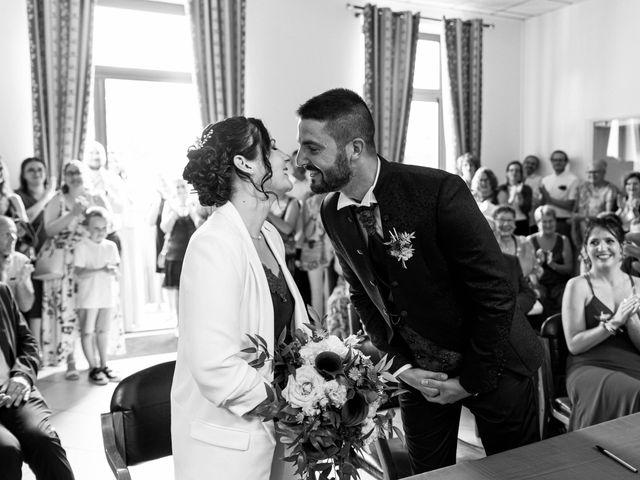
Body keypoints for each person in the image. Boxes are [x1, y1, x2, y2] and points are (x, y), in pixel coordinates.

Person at [296, 88, 543, 473]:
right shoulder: (331, 210)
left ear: (355, 148)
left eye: (312, 149)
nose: (300, 160)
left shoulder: (438, 192)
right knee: (426, 473)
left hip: (494, 363)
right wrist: (401, 366)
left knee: (518, 473)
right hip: (419, 372)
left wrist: (470, 380)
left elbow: (496, 293)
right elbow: (362, 294)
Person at [171, 117, 309, 480]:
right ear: (245, 163)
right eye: (273, 145)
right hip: (229, 449)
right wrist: (293, 408)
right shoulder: (212, 245)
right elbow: (215, 367)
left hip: (280, 437)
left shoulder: (268, 235)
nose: (283, 156)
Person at [562, 215, 640, 430]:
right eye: (594, 242)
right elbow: (574, 344)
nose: (602, 247)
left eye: (609, 241)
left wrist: (631, 319)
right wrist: (614, 323)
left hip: (633, 364)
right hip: (590, 367)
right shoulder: (577, 285)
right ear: (586, 250)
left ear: (622, 247)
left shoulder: (638, 285)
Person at [0, 282, 75, 480]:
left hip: (14, 389)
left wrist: (22, 376)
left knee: (44, 441)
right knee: (6, 450)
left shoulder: (2, 291)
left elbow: (28, 342)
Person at [41, 160, 108, 378]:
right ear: (64, 176)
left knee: (90, 309)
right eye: (69, 172)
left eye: (78, 171)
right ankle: (70, 361)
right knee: (67, 310)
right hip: (64, 264)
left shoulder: (93, 196)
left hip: (89, 260)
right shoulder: (57, 200)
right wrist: (73, 213)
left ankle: (97, 362)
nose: (74, 176)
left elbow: (108, 224)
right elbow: (49, 230)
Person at [74, 207, 121, 385]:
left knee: (103, 331)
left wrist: (113, 271)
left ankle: (104, 364)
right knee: (88, 332)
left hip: (106, 294)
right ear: (87, 227)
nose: (100, 232)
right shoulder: (82, 246)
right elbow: (78, 272)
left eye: (103, 228)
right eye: (96, 228)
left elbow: (117, 271)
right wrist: (101, 269)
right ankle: (93, 366)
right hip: (88, 297)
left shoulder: (111, 246)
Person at [15, 157, 55, 354]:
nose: (37, 173)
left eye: (40, 169)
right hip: (28, 258)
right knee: (32, 305)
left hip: (52, 259)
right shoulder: (18, 197)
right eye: (31, 170)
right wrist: (46, 197)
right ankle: (33, 351)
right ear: (23, 175)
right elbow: (26, 220)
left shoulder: (56, 197)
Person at [159, 178, 203, 323]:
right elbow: (164, 228)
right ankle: (179, 323)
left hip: (193, 251)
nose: (180, 190)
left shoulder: (195, 203)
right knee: (178, 291)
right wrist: (173, 214)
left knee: (196, 288)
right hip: (176, 252)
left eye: (182, 187)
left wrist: (191, 211)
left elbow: (201, 225)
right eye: (177, 187)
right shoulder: (169, 205)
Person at [527, 206, 574, 317]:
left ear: (555, 221)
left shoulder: (563, 240)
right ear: (538, 223)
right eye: (544, 222)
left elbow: (569, 269)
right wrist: (538, 262)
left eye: (550, 221)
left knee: (565, 298)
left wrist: (553, 265)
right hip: (539, 284)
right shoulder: (529, 241)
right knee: (539, 297)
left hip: (559, 284)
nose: (548, 225)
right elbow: (526, 271)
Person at [571, 159, 617, 249]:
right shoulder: (582, 187)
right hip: (581, 231)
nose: (592, 175)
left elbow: (607, 216)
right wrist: (574, 229)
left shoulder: (609, 189)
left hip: (600, 232)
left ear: (603, 173)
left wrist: (583, 217)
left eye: (596, 172)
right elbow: (575, 211)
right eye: (590, 172)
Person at [540, 150, 579, 239]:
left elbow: (570, 205)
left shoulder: (573, 179)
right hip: (545, 222)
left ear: (566, 162)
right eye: (555, 160)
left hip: (562, 222)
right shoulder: (545, 180)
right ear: (551, 162)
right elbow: (542, 202)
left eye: (561, 160)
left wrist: (549, 199)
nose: (558, 162)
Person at [0, 216, 34, 313]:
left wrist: (21, 283)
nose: (13, 238)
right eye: (7, 234)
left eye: (15, 233)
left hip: (8, 323)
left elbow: (26, 307)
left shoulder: (21, 261)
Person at [497, 161, 533, 235]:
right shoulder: (501, 189)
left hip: (521, 221)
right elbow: (501, 208)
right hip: (505, 222)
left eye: (517, 170)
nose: (514, 173)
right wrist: (512, 196)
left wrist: (519, 195)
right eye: (511, 170)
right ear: (507, 173)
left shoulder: (526, 189)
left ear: (521, 174)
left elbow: (528, 208)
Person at [523, 154, 543, 233]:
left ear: (536, 167)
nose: (530, 165)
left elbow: (537, 200)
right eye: (528, 163)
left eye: (533, 164)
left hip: (531, 219)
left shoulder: (539, 180)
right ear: (523, 163)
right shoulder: (516, 177)